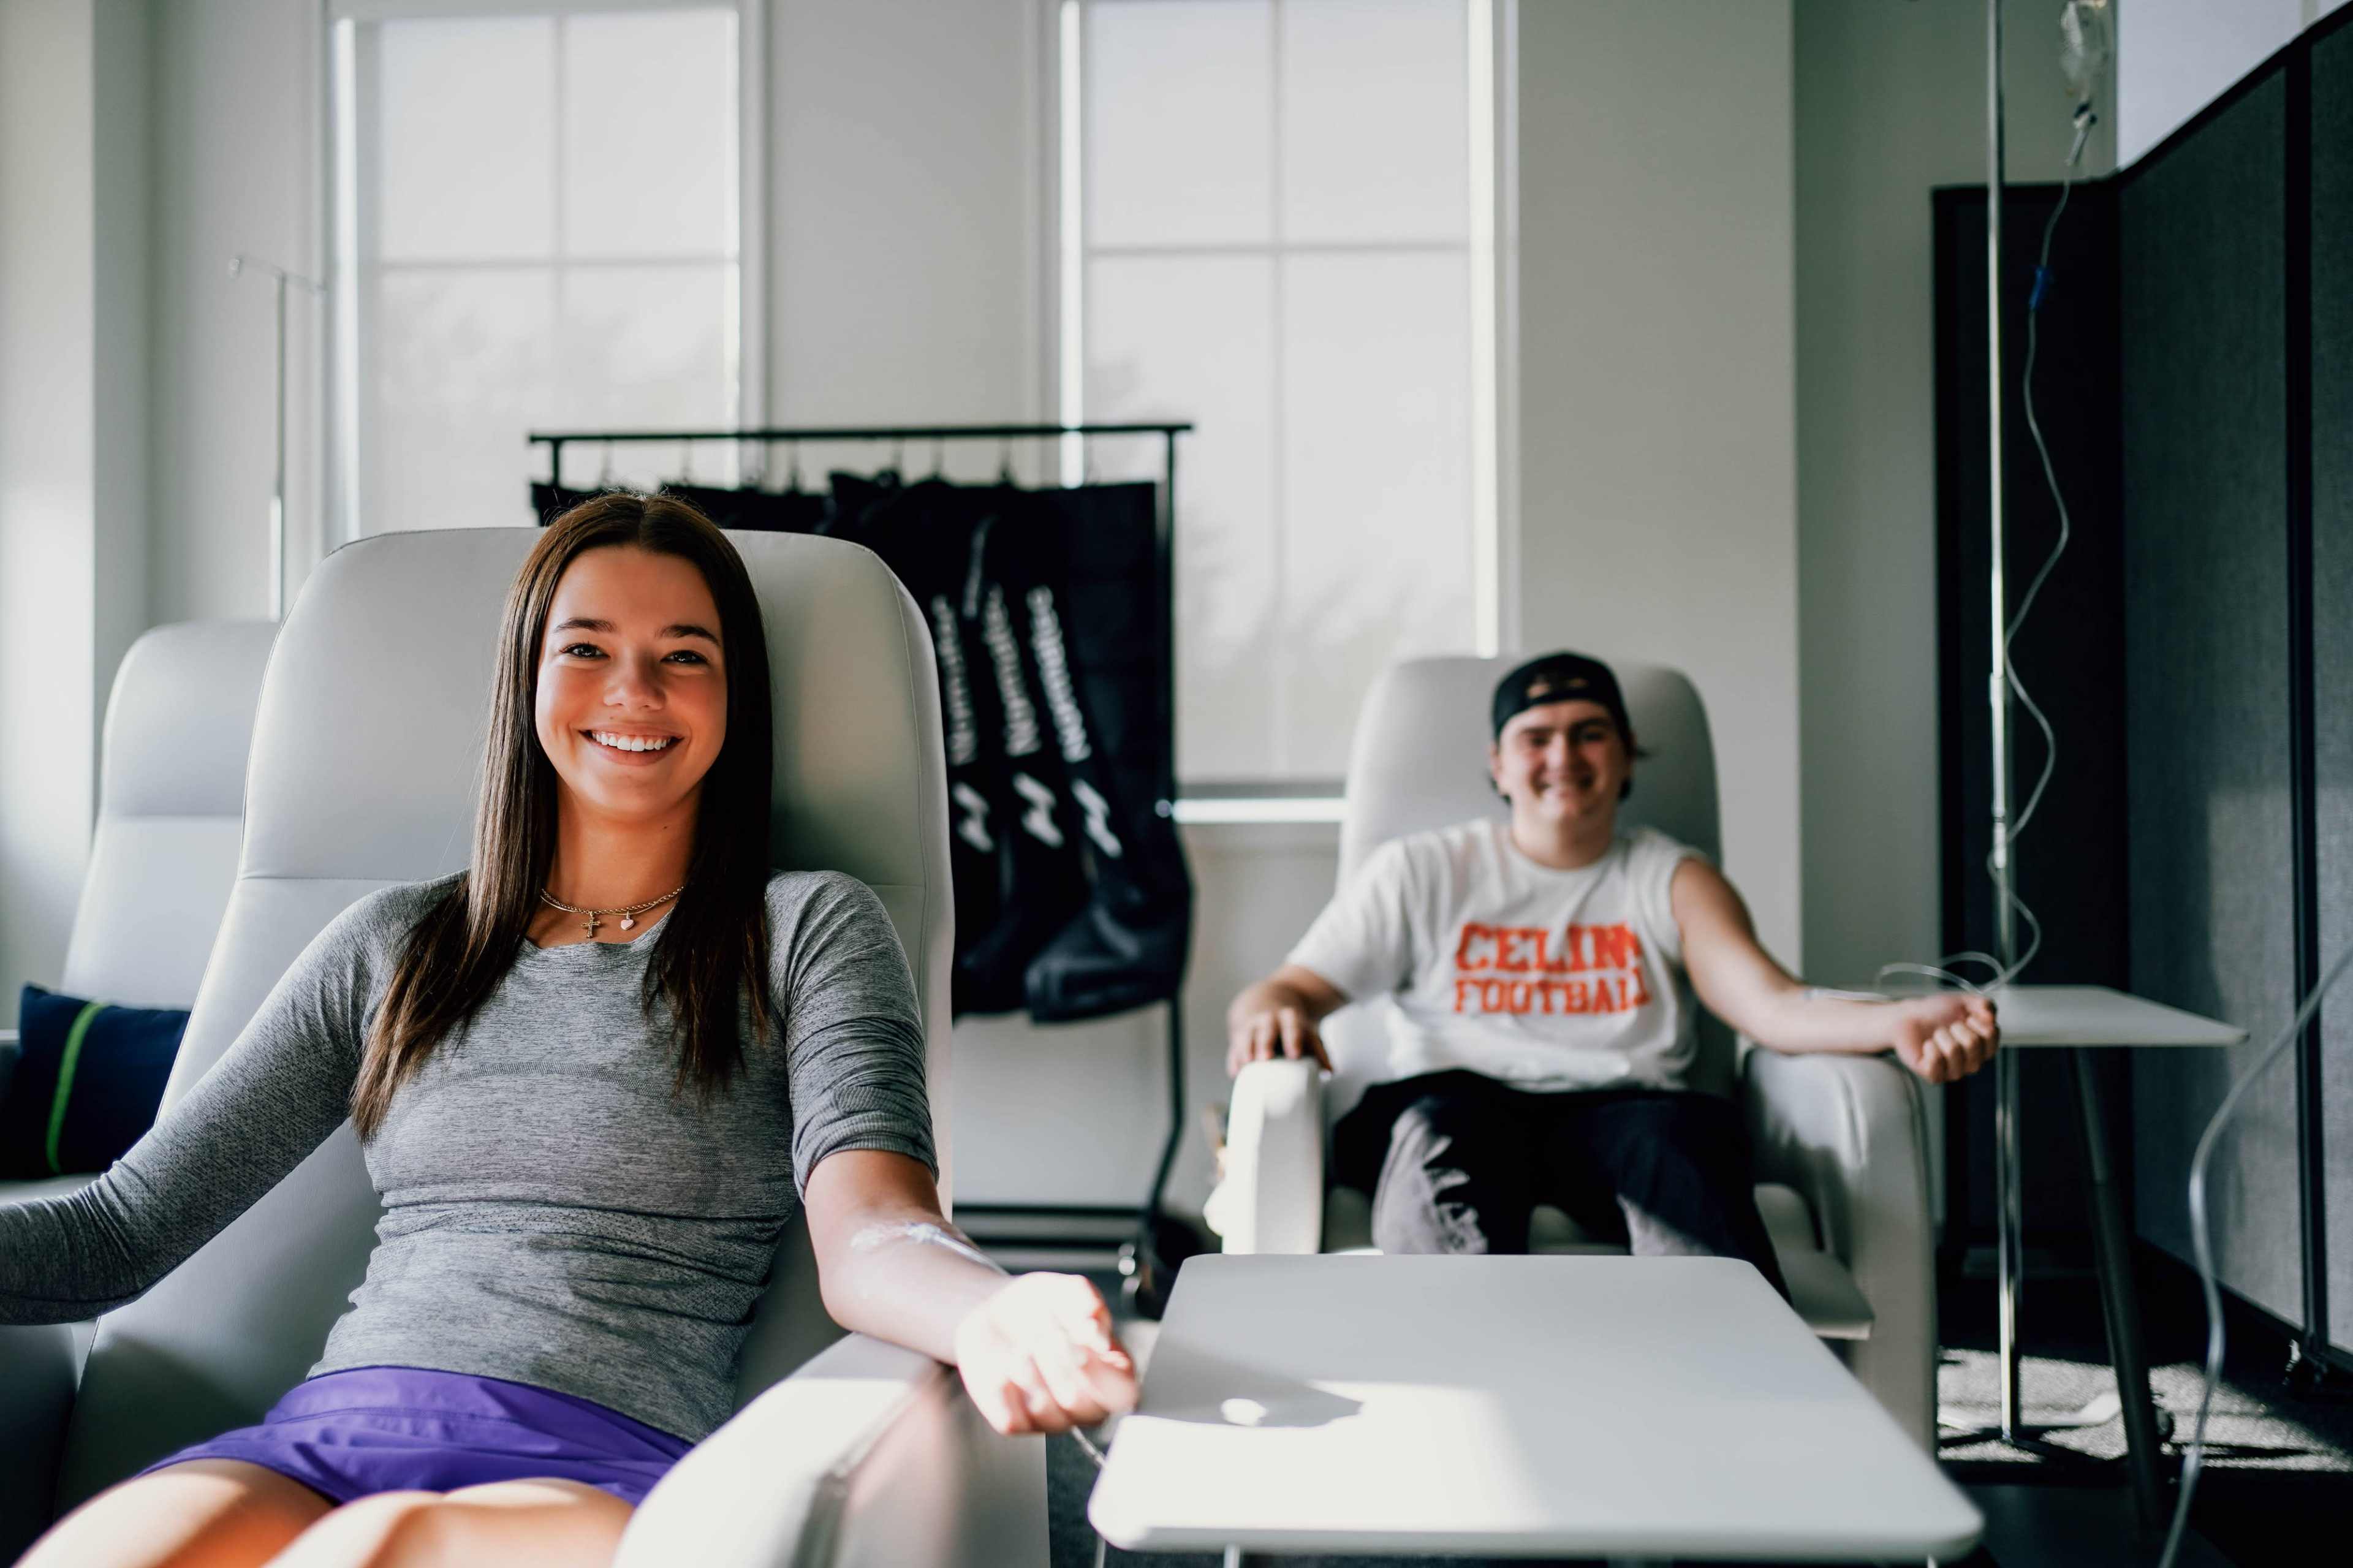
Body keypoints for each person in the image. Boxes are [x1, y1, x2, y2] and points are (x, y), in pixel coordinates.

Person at [1, 494, 1134, 1568]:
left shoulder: (804, 926)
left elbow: (876, 1226)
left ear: (735, 697)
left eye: (685, 654)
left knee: (378, 1551)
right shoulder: (392, 942)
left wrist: (994, 1307)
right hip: (320, 1438)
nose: (632, 688)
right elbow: (118, 1229)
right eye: (586, 646)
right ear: (528, 681)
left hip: (595, 1460)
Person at [1226, 651, 1999, 1280]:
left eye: (1590, 733)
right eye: (1537, 736)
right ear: (1499, 765)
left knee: (1681, 1147)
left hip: (1626, 1112)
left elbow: (1773, 1005)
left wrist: (1897, 1020)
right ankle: (1463, 1402)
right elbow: (1286, 989)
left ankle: (1731, 1415)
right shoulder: (1422, 870)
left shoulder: (1672, 878)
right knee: (1436, 1135)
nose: (1563, 755)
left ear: (1627, 757)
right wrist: (1272, 1013)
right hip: (1457, 1101)